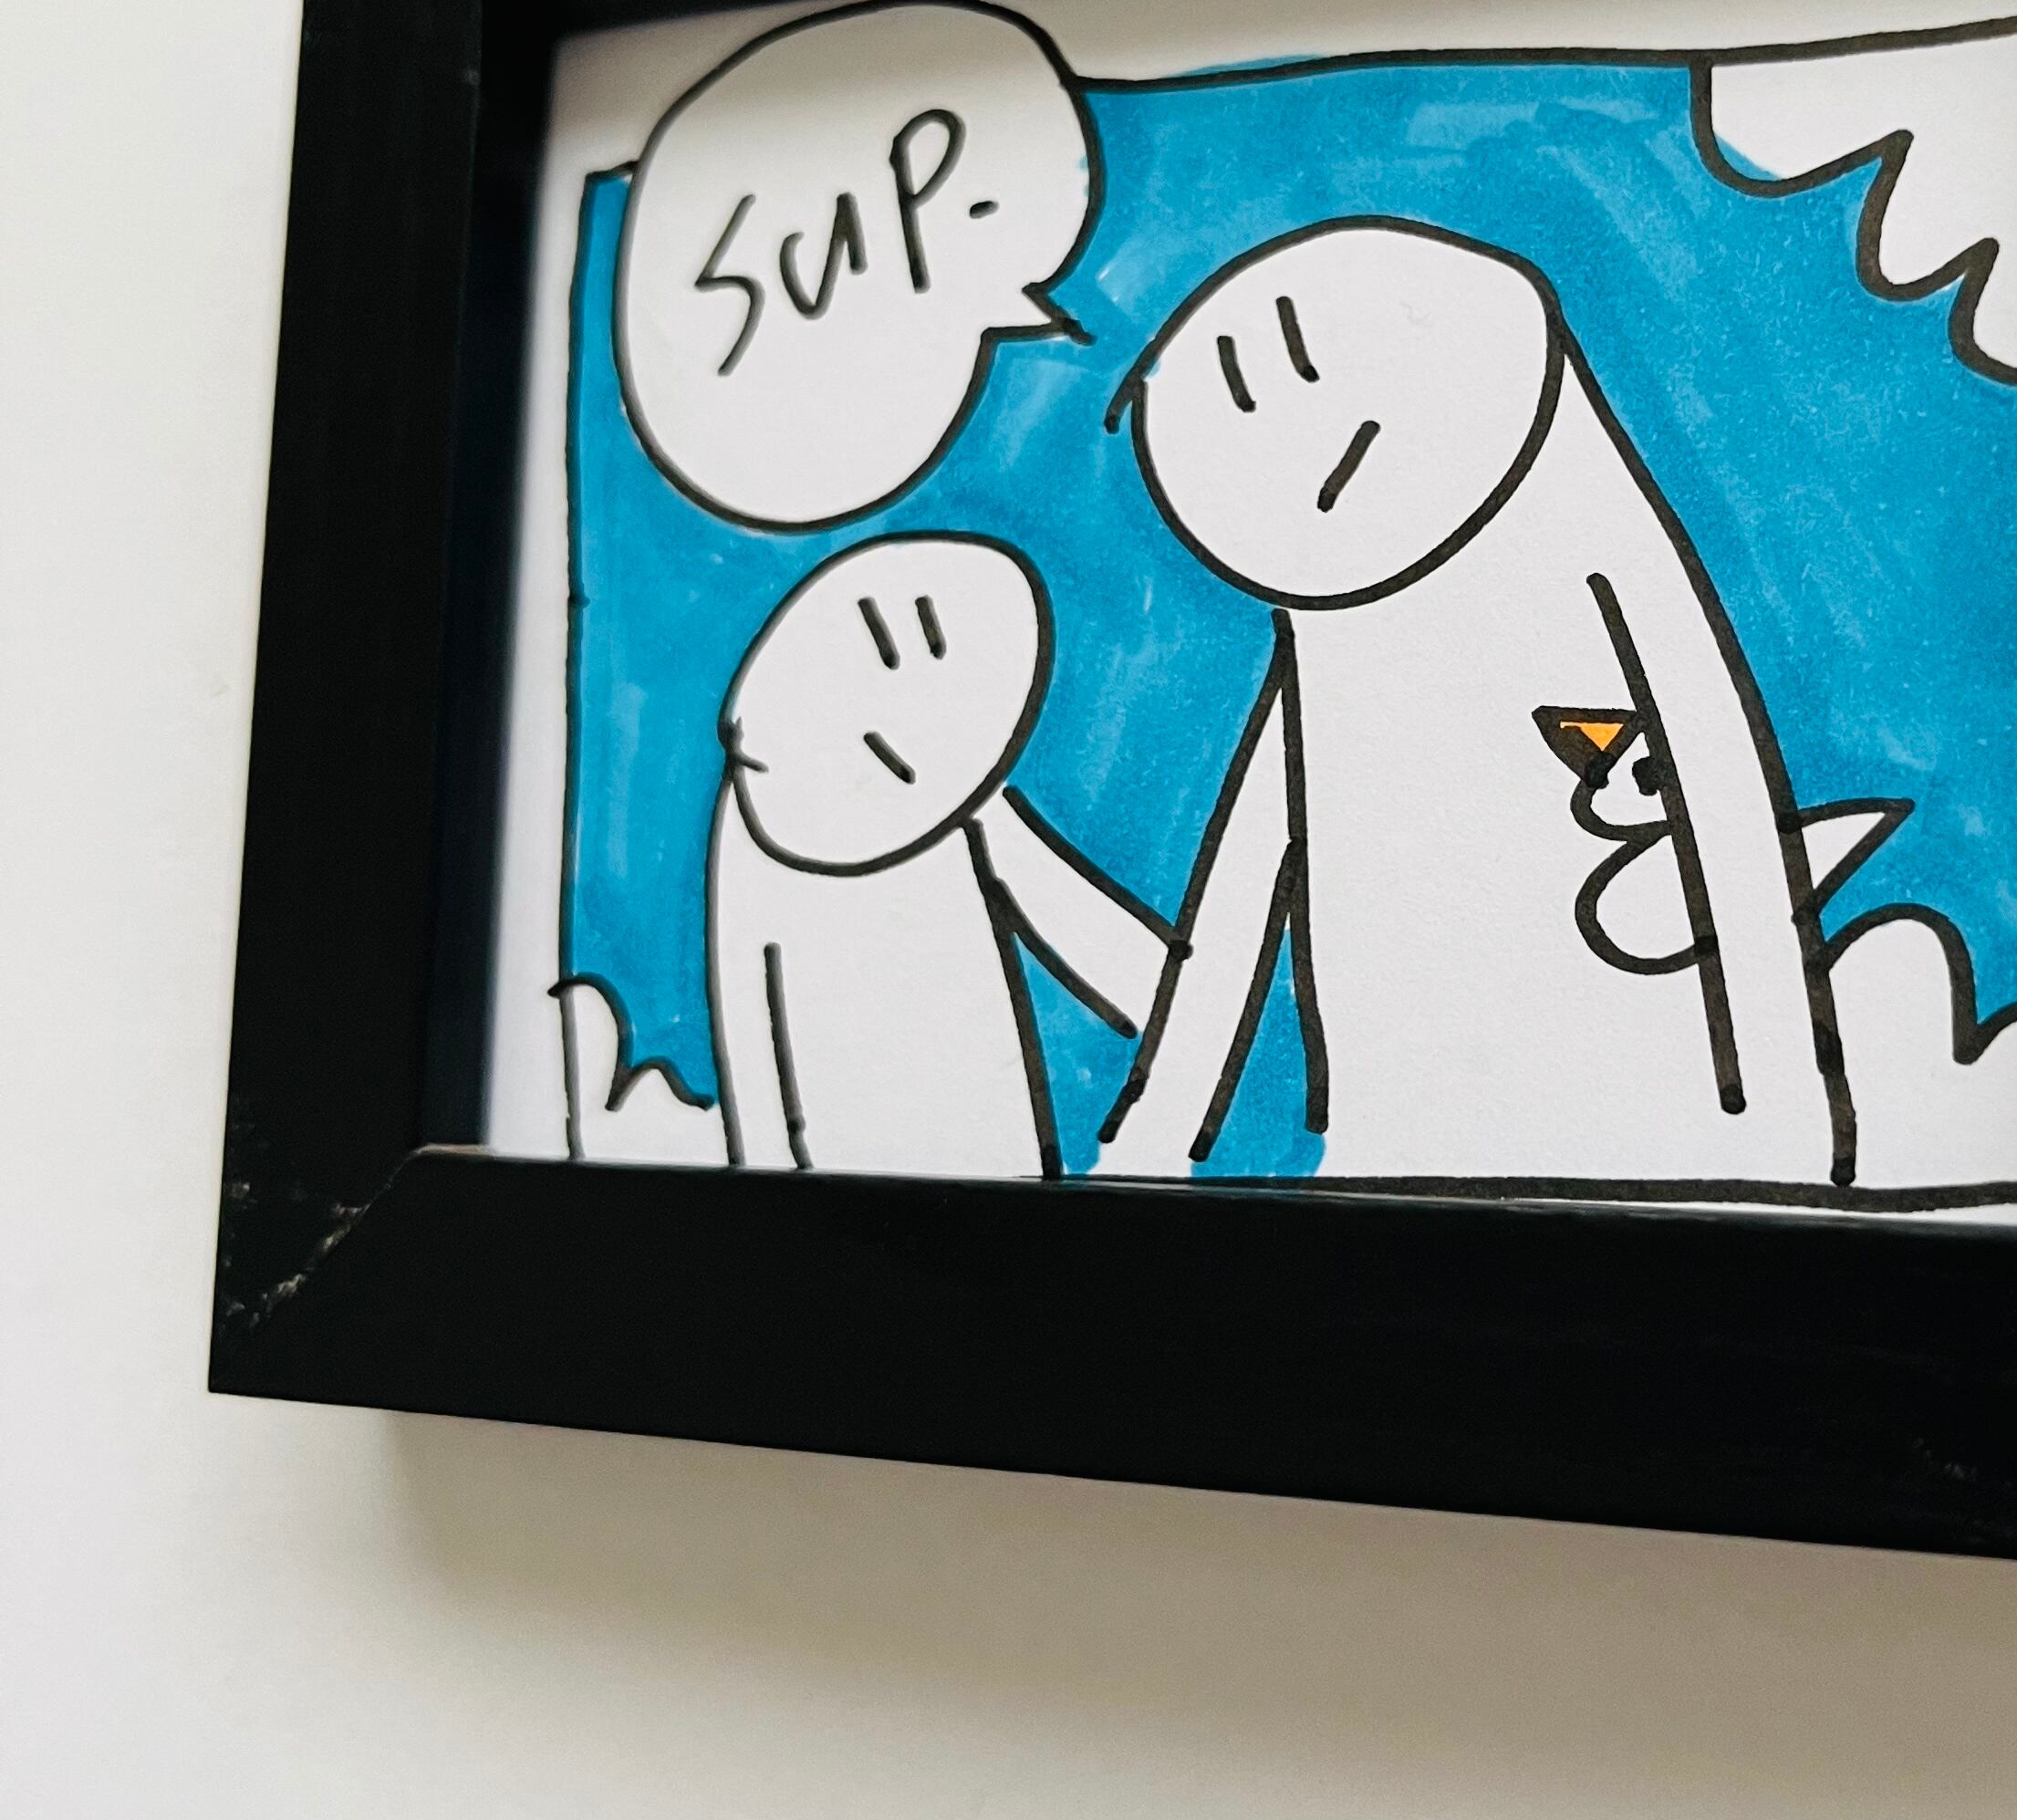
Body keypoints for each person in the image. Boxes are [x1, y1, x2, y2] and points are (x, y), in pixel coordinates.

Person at [1092, 218, 1845, 1186]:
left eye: (1316, 354)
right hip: (1395, 1122)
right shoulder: (1321, 633)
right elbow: (1245, 875)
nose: (1312, 425)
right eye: (1240, 401)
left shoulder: (1581, 513)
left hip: (1652, 1102)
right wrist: (1160, 1126)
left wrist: (1785, 1090)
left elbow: (1722, 786)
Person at [708, 534, 1170, 1177]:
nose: (891, 717)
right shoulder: (761, 839)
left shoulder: (967, 804)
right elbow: (748, 1034)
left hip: (987, 1135)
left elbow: (1096, 936)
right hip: (840, 1149)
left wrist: (1176, 1011)